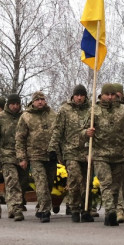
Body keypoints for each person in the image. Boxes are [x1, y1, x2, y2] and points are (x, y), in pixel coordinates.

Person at [83, 83, 124, 226]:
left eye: (113, 95)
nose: (110, 97)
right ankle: (110, 212)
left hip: (120, 155)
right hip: (101, 154)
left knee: (115, 186)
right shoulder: (94, 111)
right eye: (107, 94)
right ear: (102, 95)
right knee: (106, 183)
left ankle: (111, 211)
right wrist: (86, 133)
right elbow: (81, 131)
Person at [51, 85, 96, 222]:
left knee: (87, 182)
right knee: (75, 179)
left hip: (87, 151)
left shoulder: (92, 110)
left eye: (82, 95)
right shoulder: (65, 110)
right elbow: (58, 130)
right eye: (77, 95)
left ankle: (86, 209)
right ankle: (75, 208)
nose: (79, 97)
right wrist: (53, 148)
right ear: (73, 96)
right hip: (71, 150)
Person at [16, 91, 56, 222]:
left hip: (51, 155)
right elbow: (20, 138)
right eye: (37, 100)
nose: (40, 102)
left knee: (49, 183)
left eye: (42, 99)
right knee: (41, 183)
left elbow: (59, 133)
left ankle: (41, 206)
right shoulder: (26, 116)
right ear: (33, 102)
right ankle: (45, 211)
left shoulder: (52, 114)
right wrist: (22, 158)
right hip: (35, 155)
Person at [0, 95, 25, 220]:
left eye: (17, 104)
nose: (15, 106)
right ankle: (17, 209)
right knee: (12, 181)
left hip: (22, 154)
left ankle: (12, 206)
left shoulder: (24, 116)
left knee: (22, 182)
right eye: (12, 104)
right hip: (5, 154)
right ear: (8, 104)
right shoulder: (0, 118)